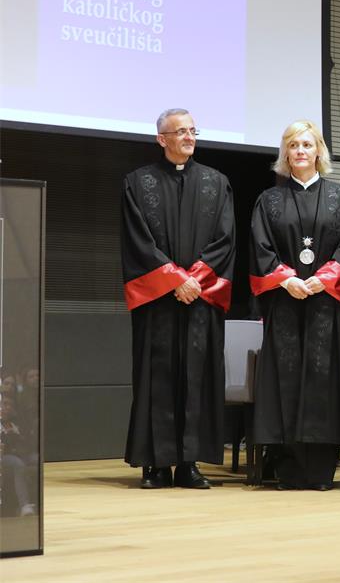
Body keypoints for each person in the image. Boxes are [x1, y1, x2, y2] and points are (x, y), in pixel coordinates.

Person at [121, 109, 235, 489]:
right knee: (157, 377)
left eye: (192, 130)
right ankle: (156, 464)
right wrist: (174, 280)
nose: (188, 136)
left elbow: (225, 240)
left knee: (196, 375)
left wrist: (194, 280)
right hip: (158, 300)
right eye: (180, 131)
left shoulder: (217, 183)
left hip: (199, 298)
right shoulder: (137, 183)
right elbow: (137, 241)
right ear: (161, 139)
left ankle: (189, 463)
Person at [248, 120, 340, 490]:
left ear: (319, 151)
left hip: (326, 303)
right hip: (285, 302)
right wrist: (287, 279)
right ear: (285, 153)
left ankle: (320, 470)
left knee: (322, 379)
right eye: (293, 145)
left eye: (307, 144)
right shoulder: (269, 201)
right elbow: (261, 247)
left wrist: (324, 278)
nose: (300, 151)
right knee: (286, 379)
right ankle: (287, 468)